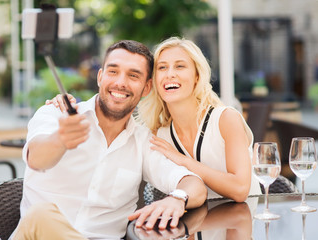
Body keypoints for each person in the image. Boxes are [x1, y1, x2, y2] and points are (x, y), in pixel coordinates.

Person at [12, 40, 207, 239]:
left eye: (133, 75)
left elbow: (195, 186)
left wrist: (177, 198)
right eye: (113, 71)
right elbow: (36, 158)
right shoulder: (55, 114)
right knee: (40, 215)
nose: (120, 82)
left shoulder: (142, 142)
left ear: (147, 87)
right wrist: (60, 139)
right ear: (100, 77)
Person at [51, 37, 261, 202]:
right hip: (198, 227)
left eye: (180, 66)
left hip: (245, 223)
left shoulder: (225, 119)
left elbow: (240, 189)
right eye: (162, 67)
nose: (170, 74)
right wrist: (65, 102)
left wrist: (184, 161)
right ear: (152, 83)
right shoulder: (157, 135)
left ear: (197, 76)